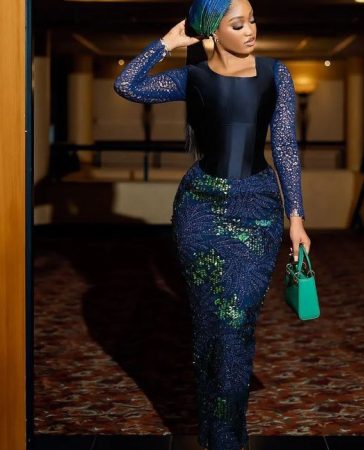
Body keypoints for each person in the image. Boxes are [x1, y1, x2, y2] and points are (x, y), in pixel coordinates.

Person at [114, 0, 311, 448]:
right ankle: (219, 433)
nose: (251, 30)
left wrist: (295, 218)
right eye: (239, 24)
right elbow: (127, 85)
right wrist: (168, 42)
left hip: (257, 208)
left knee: (235, 320)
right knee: (210, 326)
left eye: (253, 20)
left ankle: (226, 436)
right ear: (212, 33)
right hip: (200, 209)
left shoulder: (275, 73)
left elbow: (285, 146)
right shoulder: (192, 78)